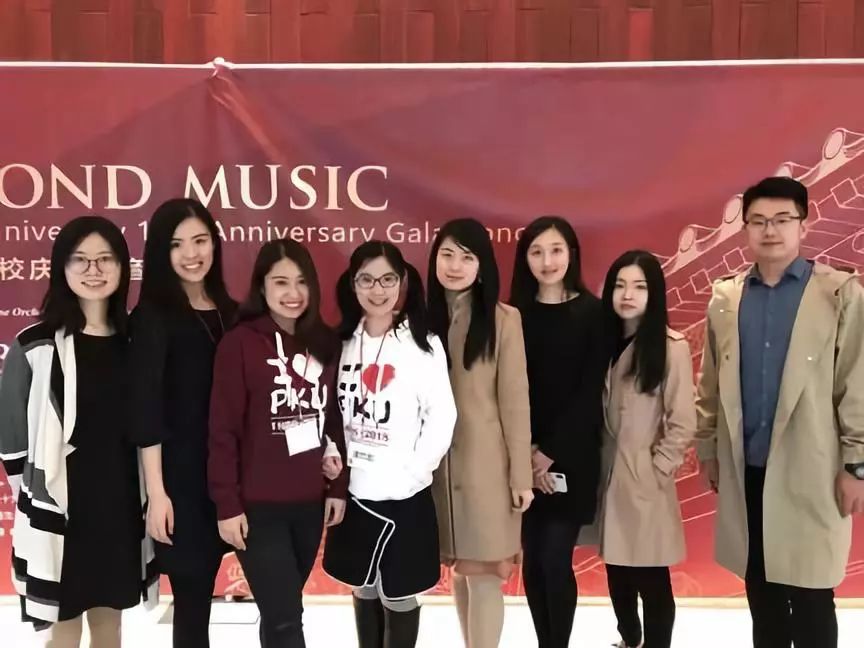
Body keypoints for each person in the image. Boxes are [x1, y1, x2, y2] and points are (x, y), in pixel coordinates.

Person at [696, 176, 864, 648]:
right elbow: (709, 383)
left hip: (813, 468)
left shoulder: (839, 294)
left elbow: (856, 384)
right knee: (762, 592)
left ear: (803, 226)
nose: (770, 230)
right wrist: (707, 448)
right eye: (758, 221)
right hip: (747, 467)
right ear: (745, 229)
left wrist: (857, 464)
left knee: (812, 594)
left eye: (782, 219)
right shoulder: (727, 299)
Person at [0, 216, 157, 646]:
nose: (94, 270)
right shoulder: (34, 345)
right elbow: (11, 439)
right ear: (61, 268)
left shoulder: (137, 341)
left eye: (105, 259)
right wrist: (35, 499)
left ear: (123, 267)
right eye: (80, 260)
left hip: (120, 503)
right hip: (61, 508)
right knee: (63, 626)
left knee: (110, 623)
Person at [208, 239, 348, 648]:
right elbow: (223, 430)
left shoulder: (324, 342)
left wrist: (337, 487)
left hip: (308, 505)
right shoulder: (240, 344)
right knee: (287, 618)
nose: (293, 293)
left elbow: (333, 419)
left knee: (278, 612)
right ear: (262, 286)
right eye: (281, 282)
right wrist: (227, 504)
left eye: (301, 282)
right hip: (257, 509)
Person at [323, 241, 456, 648]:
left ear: (402, 283)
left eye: (387, 280)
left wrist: (414, 472)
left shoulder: (422, 343)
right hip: (354, 491)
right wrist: (332, 458)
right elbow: (328, 413)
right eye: (366, 280)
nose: (377, 290)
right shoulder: (340, 342)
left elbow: (442, 416)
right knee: (362, 585)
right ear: (352, 284)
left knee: (400, 591)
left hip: (404, 494)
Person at [129, 198, 237, 648]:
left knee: (274, 602)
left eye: (200, 240)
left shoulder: (233, 311)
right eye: (177, 244)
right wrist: (157, 494)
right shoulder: (152, 317)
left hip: (234, 480)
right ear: (160, 251)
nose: (192, 254)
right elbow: (147, 411)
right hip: (182, 486)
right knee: (192, 606)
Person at [427, 219, 533, 648]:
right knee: (460, 570)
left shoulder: (504, 320)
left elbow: (515, 402)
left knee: (486, 574)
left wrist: (521, 476)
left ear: (482, 265)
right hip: (433, 472)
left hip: (487, 472)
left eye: (466, 257)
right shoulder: (419, 319)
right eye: (447, 255)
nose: (455, 266)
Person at [509, 216, 605, 648]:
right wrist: (527, 454)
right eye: (536, 252)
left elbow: (589, 393)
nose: (547, 261)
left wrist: (547, 453)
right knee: (532, 563)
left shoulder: (593, 313)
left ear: (571, 254)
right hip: (522, 457)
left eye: (556, 250)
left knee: (554, 558)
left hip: (572, 457)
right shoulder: (513, 314)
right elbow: (510, 390)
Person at [599, 250, 697, 648]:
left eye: (639, 286)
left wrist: (659, 468)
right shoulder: (603, 341)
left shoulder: (671, 347)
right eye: (620, 285)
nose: (628, 295)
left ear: (654, 293)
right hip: (608, 477)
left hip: (644, 479)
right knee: (617, 571)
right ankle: (629, 639)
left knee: (652, 578)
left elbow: (683, 419)